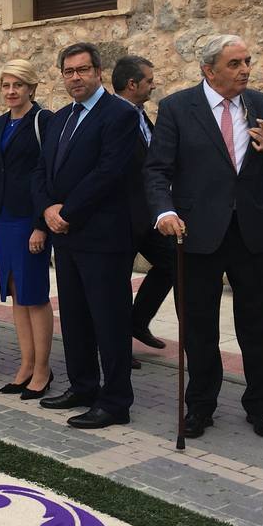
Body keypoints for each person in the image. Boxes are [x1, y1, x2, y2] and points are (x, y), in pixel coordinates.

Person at [146, 34, 263, 440]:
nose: (245, 69)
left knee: (259, 325)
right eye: (235, 64)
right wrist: (165, 210)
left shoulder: (261, 104)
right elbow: (157, 170)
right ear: (209, 70)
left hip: (252, 233)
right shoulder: (177, 108)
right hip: (196, 236)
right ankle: (201, 406)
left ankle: (261, 406)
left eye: (247, 61)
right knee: (198, 326)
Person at [34, 44, 138, 429]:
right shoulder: (59, 119)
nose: (75, 77)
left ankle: (115, 401)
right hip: (66, 237)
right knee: (75, 317)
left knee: (108, 321)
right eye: (68, 71)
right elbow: (41, 170)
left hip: (103, 236)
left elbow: (109, 173)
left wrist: (67, 212)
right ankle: (82, 386)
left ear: (98, 72)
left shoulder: (120, 115)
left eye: (82, 70)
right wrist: (47, 209)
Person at [0, 60, 55, 398]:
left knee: (34, 294)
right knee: (14, 291)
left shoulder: (44, 121)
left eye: (18, 85)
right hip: (3, 219)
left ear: (31, 88)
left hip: (29, 220)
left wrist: (41, 226)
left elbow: (49, 176)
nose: (11, 92)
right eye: (6, 85)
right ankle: (25, 364)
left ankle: (43, 370)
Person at [113, 55, 174, 359]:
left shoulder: (140, 114)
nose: (153, 85)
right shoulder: (111, 116)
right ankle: (118, 349)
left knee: (174, 263)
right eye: (149, 80)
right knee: (117, 284)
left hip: (148, 215)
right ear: (132, 83)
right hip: (122, 218)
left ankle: (138, 321)